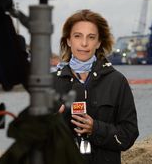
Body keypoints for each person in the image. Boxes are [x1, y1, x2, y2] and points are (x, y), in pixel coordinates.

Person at [54, 9, 139, 164]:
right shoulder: (50, 83)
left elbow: (129, 135)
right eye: (77, 36)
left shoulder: (117, 81)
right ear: (68, 40)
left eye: (91, 37)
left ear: (99, 42)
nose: (84, 43)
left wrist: (96, 129)